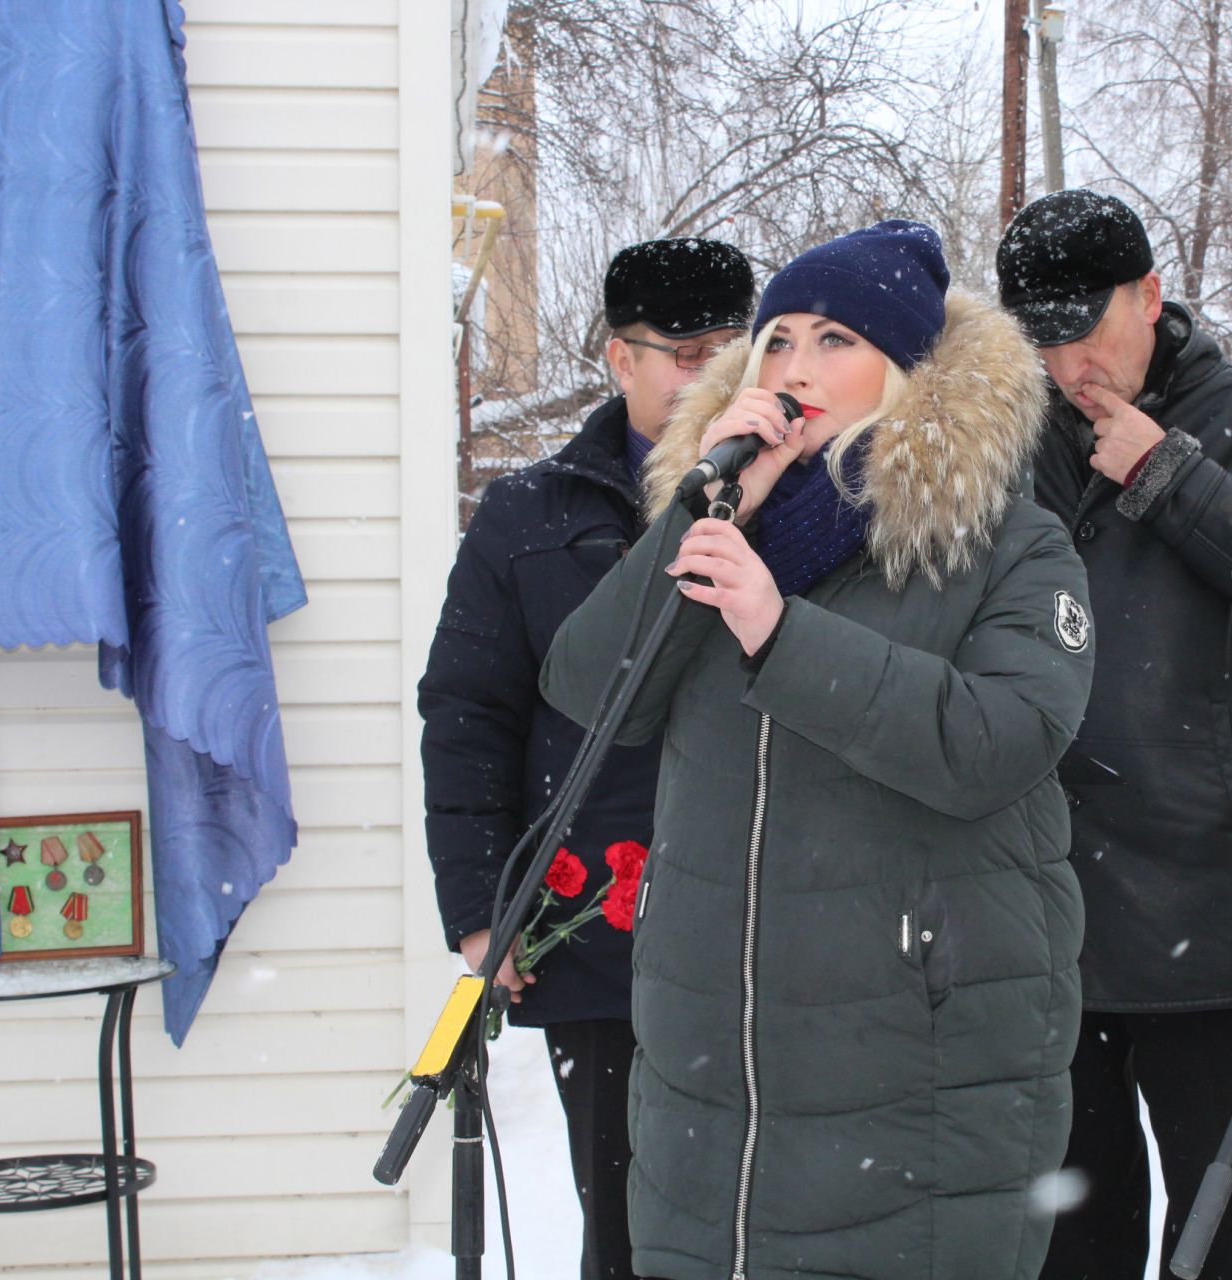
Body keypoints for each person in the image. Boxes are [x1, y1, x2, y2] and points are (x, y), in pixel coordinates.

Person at [539, 219, 1095, 1280]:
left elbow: (999, 738)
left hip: (911, 1077)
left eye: (834, 338)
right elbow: (589, 690)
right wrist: (703, 514)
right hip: (713, 1079)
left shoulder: (1011, 543)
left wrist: (782, 634)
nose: (794, 367)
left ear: (910, 372)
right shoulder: (724, 524)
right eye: (778, 338)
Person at [997, 189, 1232, 1280]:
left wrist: (1168, 471)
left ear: (1150, 294)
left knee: (1228, 1232)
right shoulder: (1017, 441)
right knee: (1074, 1232)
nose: (1068, 365)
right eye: (1041, 339)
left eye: (1085, 329)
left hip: (1205, 899)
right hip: (1049, 898)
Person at [419, 238, 754, 1280]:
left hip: (771, 930)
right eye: (685, 351)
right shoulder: (534, 514)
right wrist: (482, 905)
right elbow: (467, 711)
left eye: (734, 348)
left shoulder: (804, 494)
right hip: (605, 928)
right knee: (625, 1225)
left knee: (772, 1219)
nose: (713, 376)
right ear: (619, 358)